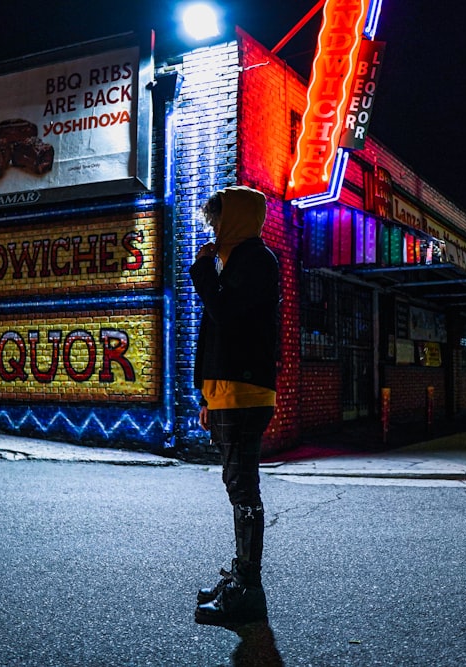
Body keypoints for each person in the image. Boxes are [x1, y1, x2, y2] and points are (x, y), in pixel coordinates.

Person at [190, 186, 280, 628]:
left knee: (243, 490)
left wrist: (203, 271)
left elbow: (225, 315)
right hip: (227, 392)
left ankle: (249, 590)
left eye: (218, 221)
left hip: (243, 393)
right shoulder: (237, 264)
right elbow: (217, 338)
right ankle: (242, 579)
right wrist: (206, 395)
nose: (213, 230)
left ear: (237, 220)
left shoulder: (256, 263)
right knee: (238, 488)